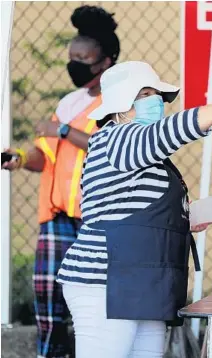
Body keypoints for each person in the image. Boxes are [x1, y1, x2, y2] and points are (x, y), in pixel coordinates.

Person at [56, 60, 212, 358]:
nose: (157, 102)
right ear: (121, 106)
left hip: (143, 283)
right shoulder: (115, 139)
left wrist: (184, 219)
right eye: (145, 94)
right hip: (105, 283)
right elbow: (167, 133)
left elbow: (131, 207)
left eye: (157, 95)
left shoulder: (141, 150)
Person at [2, 5, 120, 358]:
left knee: (94, 304)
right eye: (72, 57)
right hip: (57, 219)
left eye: (85, 58)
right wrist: (20, 159)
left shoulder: (117, 102)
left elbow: (108, 144)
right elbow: (46, 156)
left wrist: (64, 130)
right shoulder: (68, 102)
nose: (76, 64)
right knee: (48, 302)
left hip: (96, 218)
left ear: (107, 60)